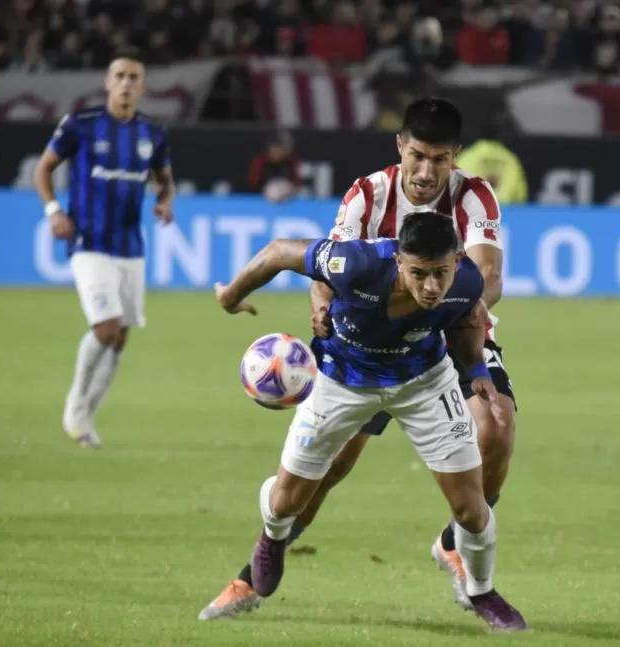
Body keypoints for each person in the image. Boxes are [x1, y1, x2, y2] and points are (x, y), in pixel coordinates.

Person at [199, 97, 516, 618]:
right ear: (400, 147)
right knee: (326, 470)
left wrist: (451, 310)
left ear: (454, 156)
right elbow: (326, 268)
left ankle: (456, 543)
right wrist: (321, 307)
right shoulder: (367, 195)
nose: (425, 171)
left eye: (439, 159)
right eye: (417, 156)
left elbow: (489, 276)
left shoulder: (475, 196)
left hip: (445, 336)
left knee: (497, 427)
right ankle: (252, 575)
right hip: (363, 348)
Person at [33, 47, 175, 447]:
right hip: (88, 242)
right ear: (108, 83)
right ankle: (75, 407)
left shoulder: (153, 132)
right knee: (106, 327)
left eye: (134, 77)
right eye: (120, 76)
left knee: (121, 336)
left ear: (143, 87)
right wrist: (52, 210)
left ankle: (86, 421)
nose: (127, 83)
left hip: (130, 246)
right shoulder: (81, 124)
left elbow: (166, 180)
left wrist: (165, 202)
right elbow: (43, 168)